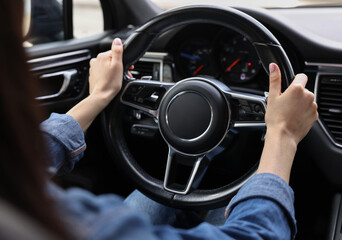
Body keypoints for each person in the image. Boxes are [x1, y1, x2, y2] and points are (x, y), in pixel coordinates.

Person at [0, 1, 318, 239]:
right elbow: (256, 234)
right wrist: (282, 134)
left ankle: (207, 165)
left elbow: (31, 154)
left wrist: (98, 97)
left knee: (166, 196)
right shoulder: (89, 227)